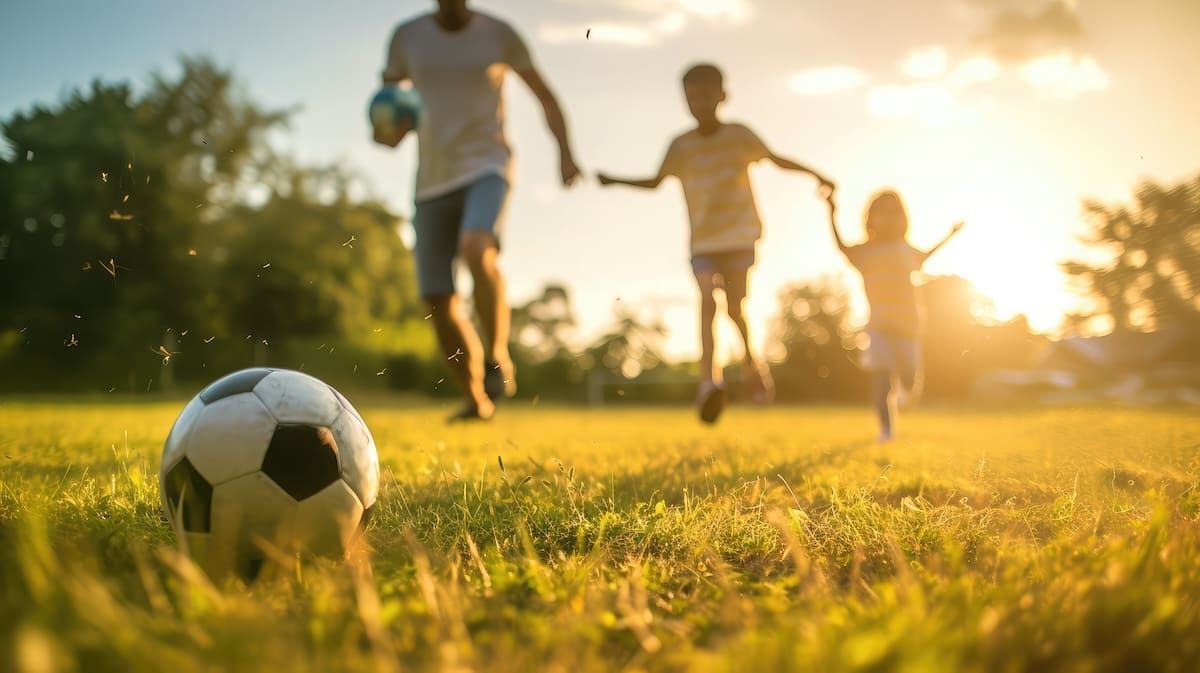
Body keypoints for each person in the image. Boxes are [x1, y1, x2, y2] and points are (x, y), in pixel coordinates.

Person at [596, 63, 835, 424]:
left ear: (722, 96)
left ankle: (752, 364)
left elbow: (774, 159)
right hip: (704, 243)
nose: (699, 103)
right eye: (692, 97)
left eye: (706, 95)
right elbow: (656, 181)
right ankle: (709, 383)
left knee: (735, 310)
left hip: (740, 237)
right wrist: (615, 180)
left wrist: (816, 174)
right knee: (708, 299)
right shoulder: (681, 146)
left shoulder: (739, 136)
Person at [378, 0, 581, 421]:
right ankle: (476, 400)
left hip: (488, 165)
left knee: (476, 247)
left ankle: (496, 354)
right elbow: (391, 103)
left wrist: (566, 152)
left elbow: (545, 96)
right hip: (432, 180)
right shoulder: (406, 37)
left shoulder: (499, 33)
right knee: (437, 300)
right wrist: (390, 130)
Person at [825, 190, 963, 441]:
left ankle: (903, 393)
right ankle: (886, 431)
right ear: (870, 218)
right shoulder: (864, 252)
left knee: (910, 379)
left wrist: (950, 234)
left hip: (909, 326)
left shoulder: (905, 250)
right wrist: (830, 211)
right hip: (878, 326)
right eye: (881, 213)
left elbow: (927, 255)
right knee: (881, 378)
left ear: (903, 219)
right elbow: (841, 247)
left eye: (893, 213)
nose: (888, 218)